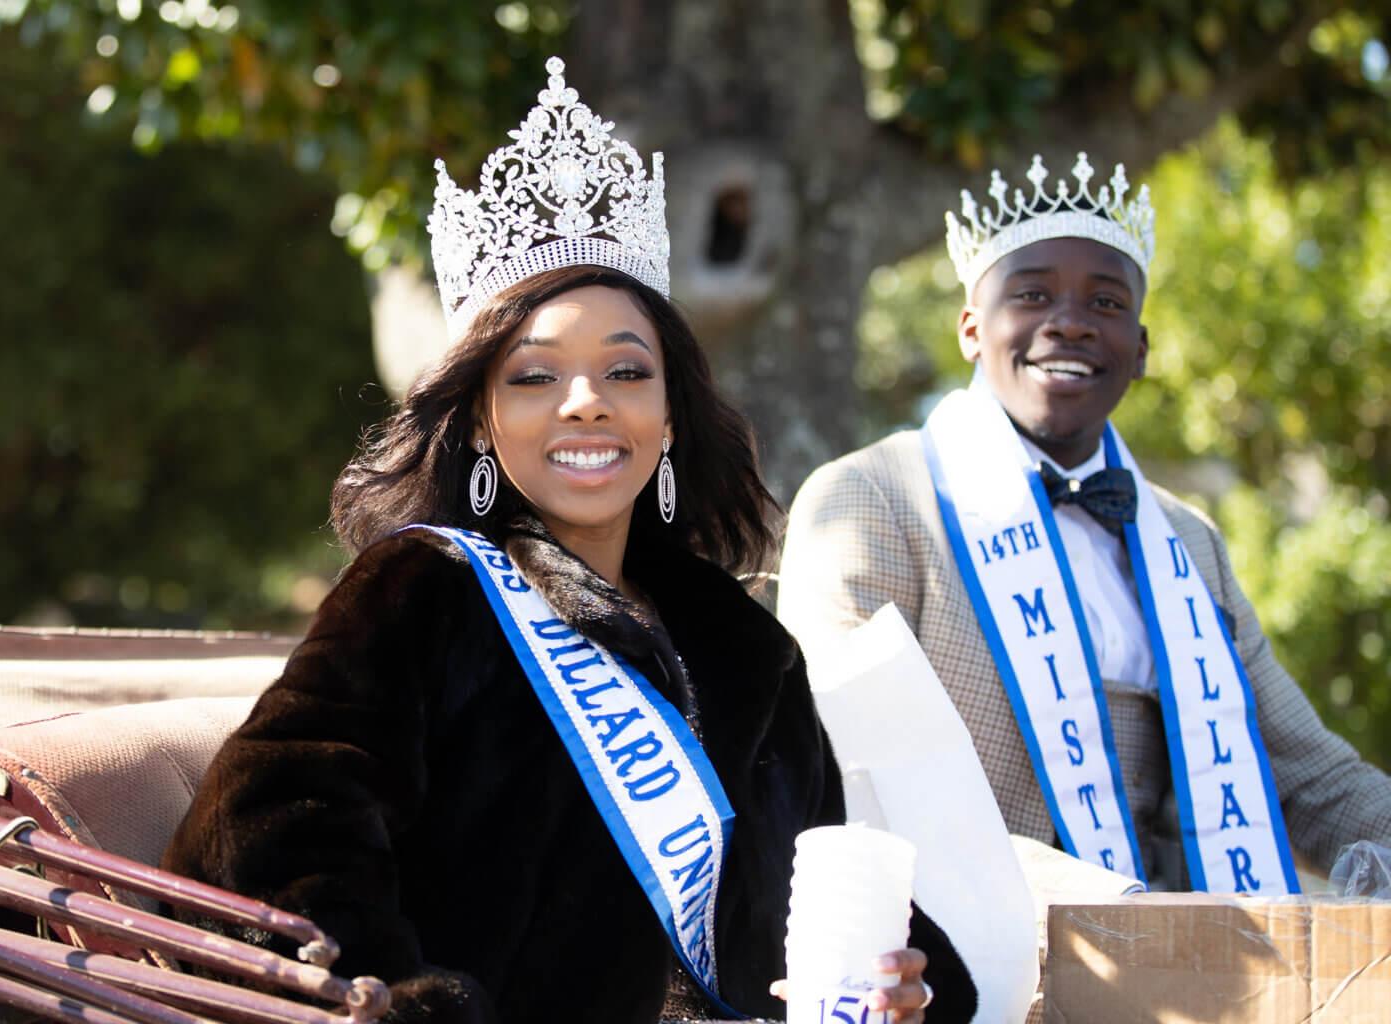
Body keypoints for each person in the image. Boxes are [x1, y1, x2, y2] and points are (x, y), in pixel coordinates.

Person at [163, 58, 974, 1024]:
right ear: (476, 423)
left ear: (670, 417)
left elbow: (817, 883)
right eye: (534, 377)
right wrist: (405, 1001)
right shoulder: (425, 591)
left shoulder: (746, 649)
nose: (586, 401)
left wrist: (904, 984)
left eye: (626, 372)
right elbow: (273, 824)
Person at [779, 153, 1391, 895]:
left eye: (1105, 304)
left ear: (1140, 352)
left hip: (1184, 962)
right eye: (1032, 294)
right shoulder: (870, 499)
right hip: (959, 963)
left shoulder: (1188, 541)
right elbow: (862, 772)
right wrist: (1105, 909)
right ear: (972, 329)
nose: (1068, 323)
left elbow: (1311, 776)